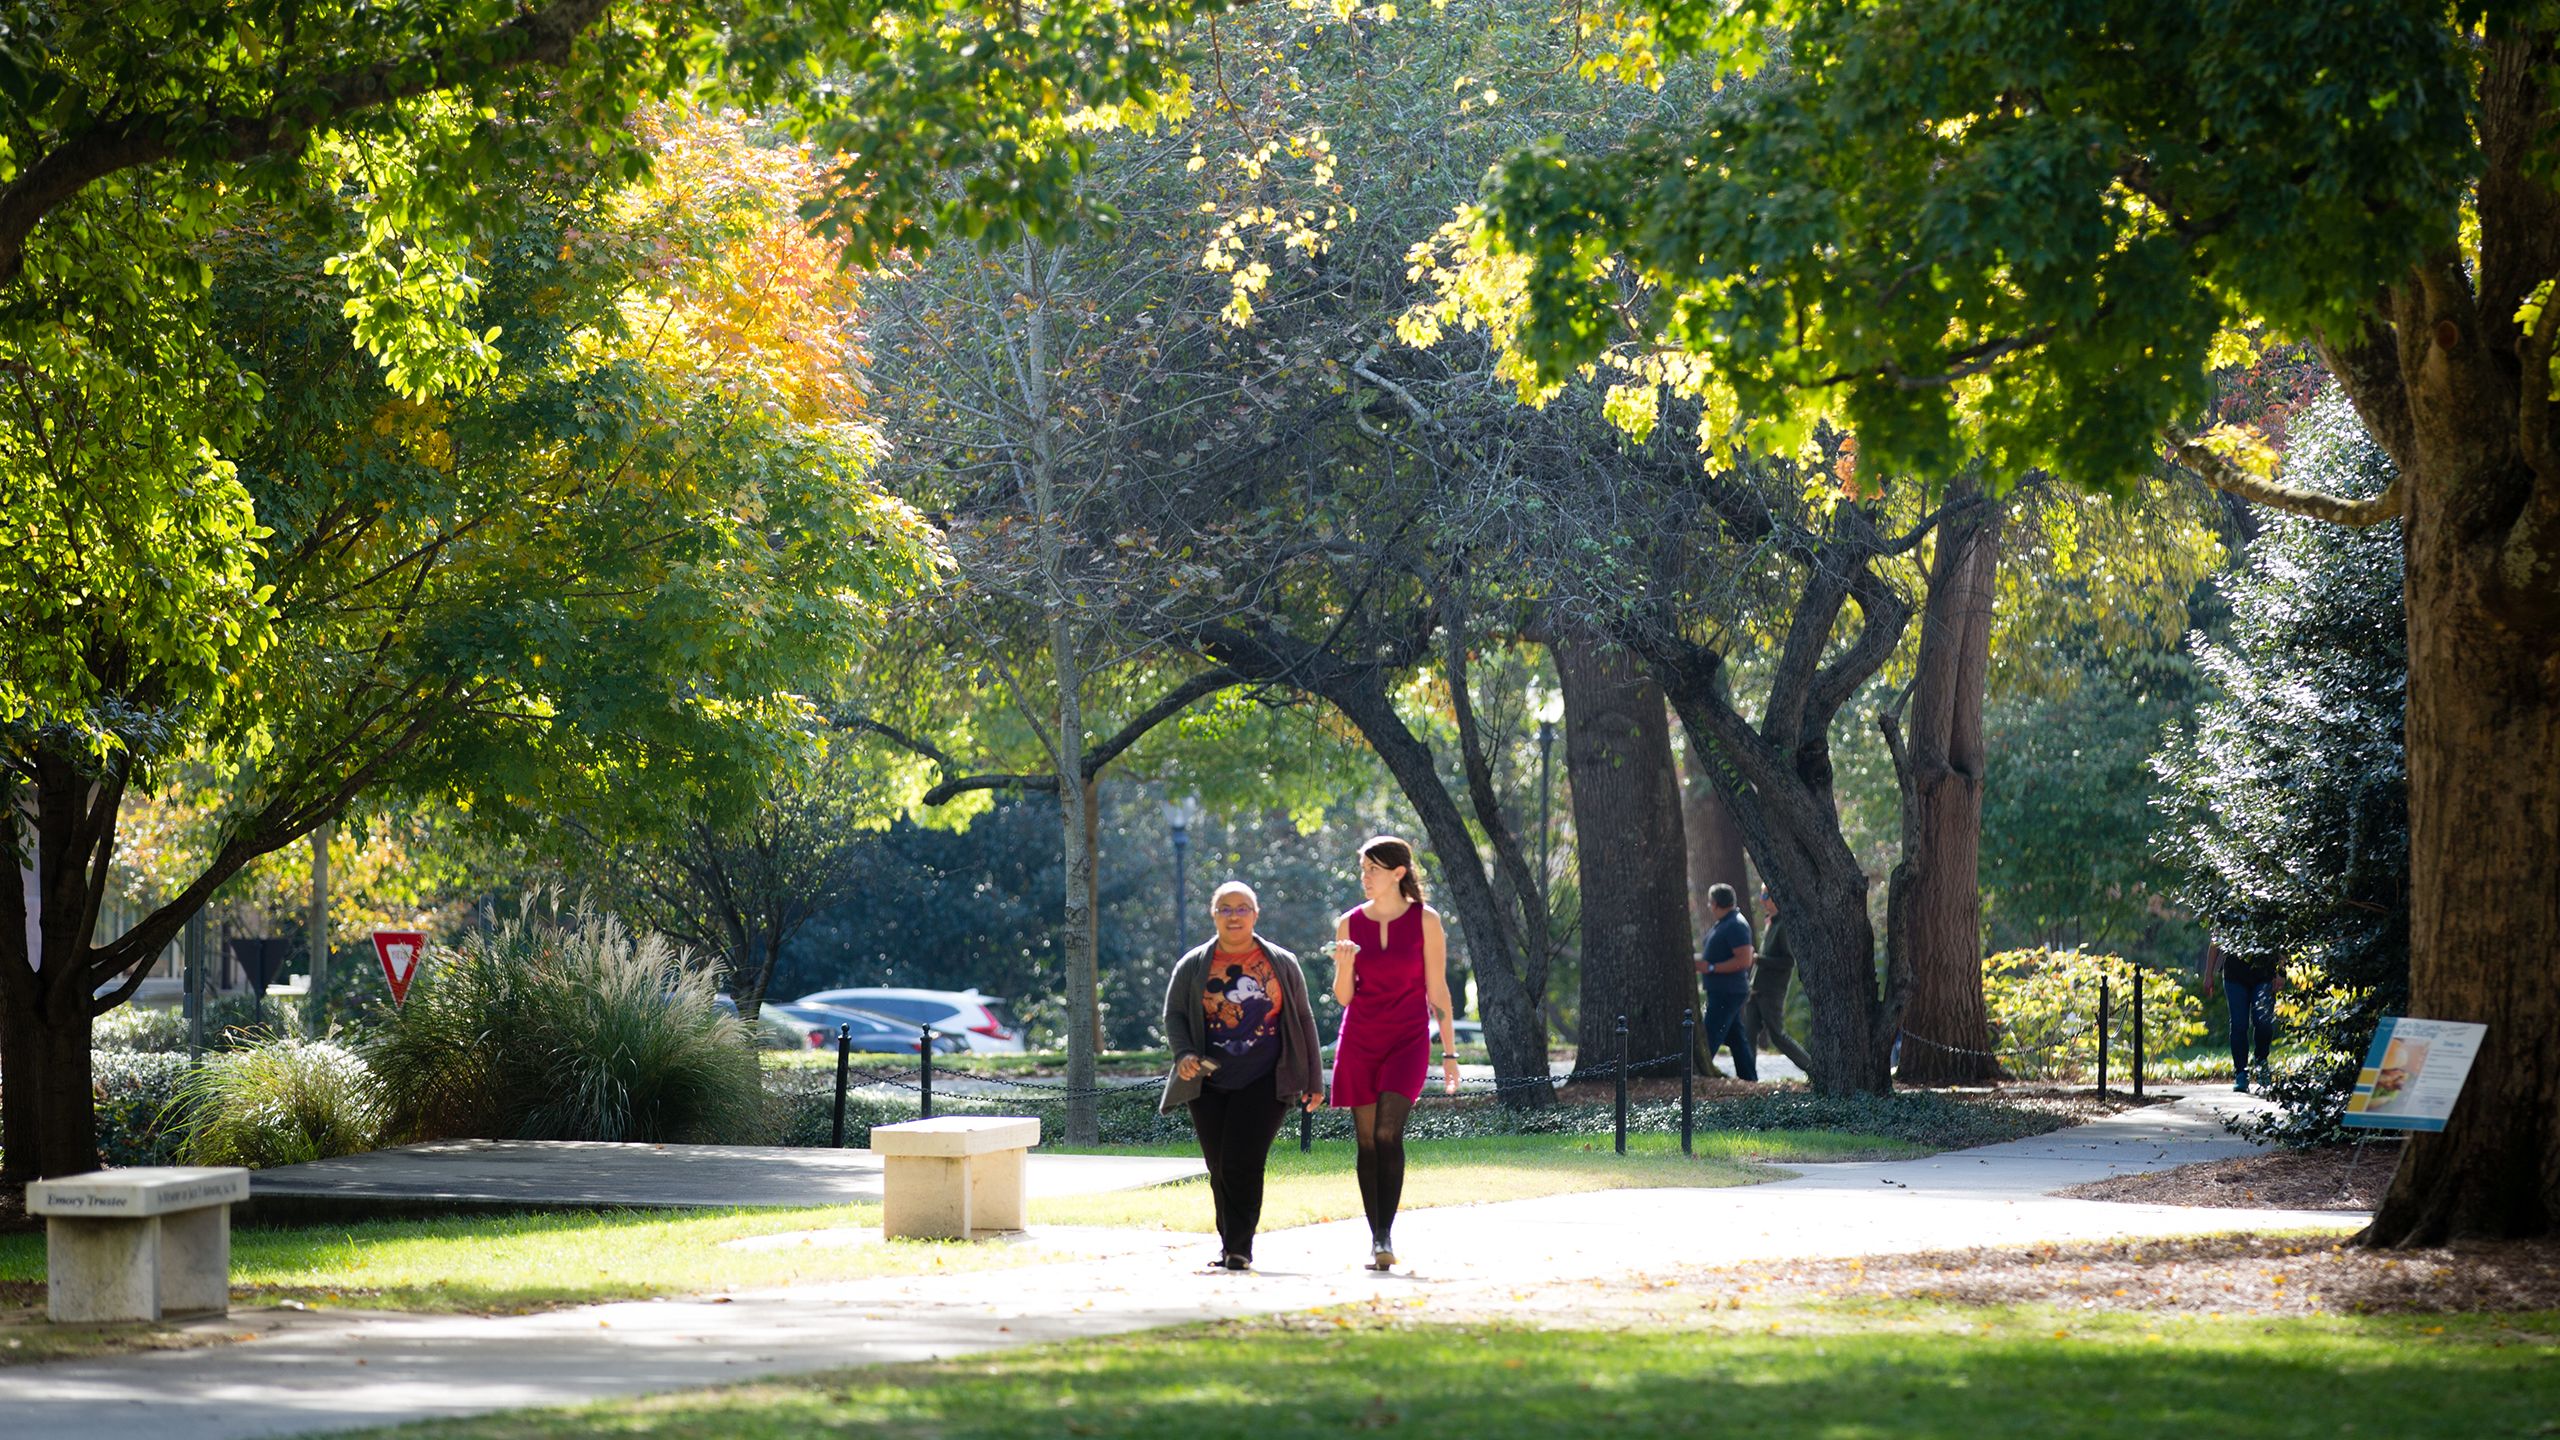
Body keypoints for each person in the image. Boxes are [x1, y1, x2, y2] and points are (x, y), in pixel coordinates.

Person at [1160, 880, 1325, 1271]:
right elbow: (1175, 1015)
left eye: (1242, 908)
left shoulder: (1282, 963)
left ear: (1256, 913)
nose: (1234, 916)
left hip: (1267, 1078)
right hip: (1209, 1081)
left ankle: (1239, 1248)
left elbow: (1304, 1018)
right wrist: (1184, 1053)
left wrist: (1315, 1080)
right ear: (1213, 915)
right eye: (1226, 909)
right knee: (1218, 1166)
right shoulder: (1193, 965)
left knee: (1242, 1162)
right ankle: (1229, 1244)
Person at [1324, 835, 1461, 1271]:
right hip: (1361, 1038)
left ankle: (1385, 1233)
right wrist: (1344, 966)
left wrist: (1451, 1053)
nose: (1365, 878)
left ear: (1398, 873)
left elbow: (1437, 989)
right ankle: (1378, 1238)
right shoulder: (1348, 923)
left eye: (1373, 870)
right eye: (1362, 870)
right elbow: (1344, 998)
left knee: (1387, 1133)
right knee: (1366, 1140)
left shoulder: (1426, 920)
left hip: (1407, 1038)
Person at [1694, 881, 1759, 1082]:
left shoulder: (1736, 924)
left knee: (1710, 1033)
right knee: (1736, 1038)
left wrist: (1711, 967)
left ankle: (1699, 1074)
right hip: (1722, 989)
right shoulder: (1725, 923)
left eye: (1709, 903)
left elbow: (1745, 960)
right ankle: (1749, 1078)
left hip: (1728, 991)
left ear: (1715, 903)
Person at [1746, 887, 1815, 1071]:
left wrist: (1757, 959)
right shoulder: (1772, 923)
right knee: (1748, 1033)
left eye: (1766, 895)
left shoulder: (1783, 926)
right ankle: (1747, 1076)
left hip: (1771, 993)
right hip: (1756, 991)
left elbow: (1787, 961)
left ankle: (1812, 1068)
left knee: (1777, 1036)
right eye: (1761, 895)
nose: (1762, 900)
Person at [2203, 931, 2278, 1093]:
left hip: (2264, 974)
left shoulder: (2266, 906)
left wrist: (2280, 972)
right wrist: (2208, 974)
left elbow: (2279, 938)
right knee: (2239, 1024)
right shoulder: (2228, 909)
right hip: (2234, 976)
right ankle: (2241, 1073)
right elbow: (2215, 942)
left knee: (2263, 1021)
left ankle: (2261, 1061)